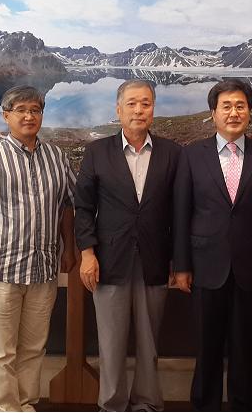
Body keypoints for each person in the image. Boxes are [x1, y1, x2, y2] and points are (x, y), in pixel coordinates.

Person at [0, 86, 76, 412]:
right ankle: (4, 408)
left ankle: (26, 405)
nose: (29, 116)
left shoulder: (57, 157)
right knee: (0, 351)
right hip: (0, 269)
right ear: (6, 115)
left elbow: (68, 206)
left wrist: (69, 248)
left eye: (35, 110)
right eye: (21, 110)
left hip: (43, 269)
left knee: (34, 348)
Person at [173, 79, 252, 411]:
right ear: (213, 113)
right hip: (204, 267)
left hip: (250, 268)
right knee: (206, 347)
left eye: (240, 106)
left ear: (249, 111)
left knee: (243, 347)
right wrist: (181, 265)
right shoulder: (192, 155)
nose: (234, 113)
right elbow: (181, 213)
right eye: (226, 106)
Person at [75, 79, 181, 411]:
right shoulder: (97, 152)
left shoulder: (172, 153)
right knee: (110, 341)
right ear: (118, 109)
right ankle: (112, 404)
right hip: (108, 260)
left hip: (155, 259)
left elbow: (179, 211)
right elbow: (83, 207)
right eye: (132, 103)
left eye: (145, 103)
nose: (139, 110)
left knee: (149, 341)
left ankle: (147, 402)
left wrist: (179, 260)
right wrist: (87, 253)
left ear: (153, 109)